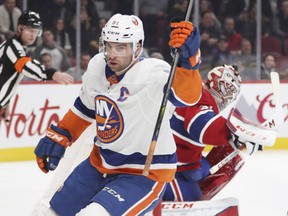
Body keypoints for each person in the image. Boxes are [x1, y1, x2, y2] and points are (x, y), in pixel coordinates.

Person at [34, 13, 203, 215]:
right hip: (99, 164)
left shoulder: (153, 73)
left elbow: (187, 98)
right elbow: (85, 108)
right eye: (109, 45)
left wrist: (188, 65)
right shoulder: (97, 66)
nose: (112, 53)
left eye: (121, 47)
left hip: (144, 173)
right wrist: (62, 134)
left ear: (137, 48)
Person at [163, 65, 252, 202]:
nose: (229, 96)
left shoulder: (201, 96)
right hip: (166, 163)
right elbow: (201, 125)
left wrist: (238, 136)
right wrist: (233, 134)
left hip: (181, 159)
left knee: (206, 168)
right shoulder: (199, 98)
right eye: (229, 91)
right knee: (192, 196)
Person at [0, 10, 74, 122]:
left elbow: (4, 74)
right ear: (19, 28)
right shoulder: (12, 47)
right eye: (30, 30)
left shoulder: (16, 47)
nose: (33, 35)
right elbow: (25, 66)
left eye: (36, 31)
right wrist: (51, 73)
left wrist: (6, 103)